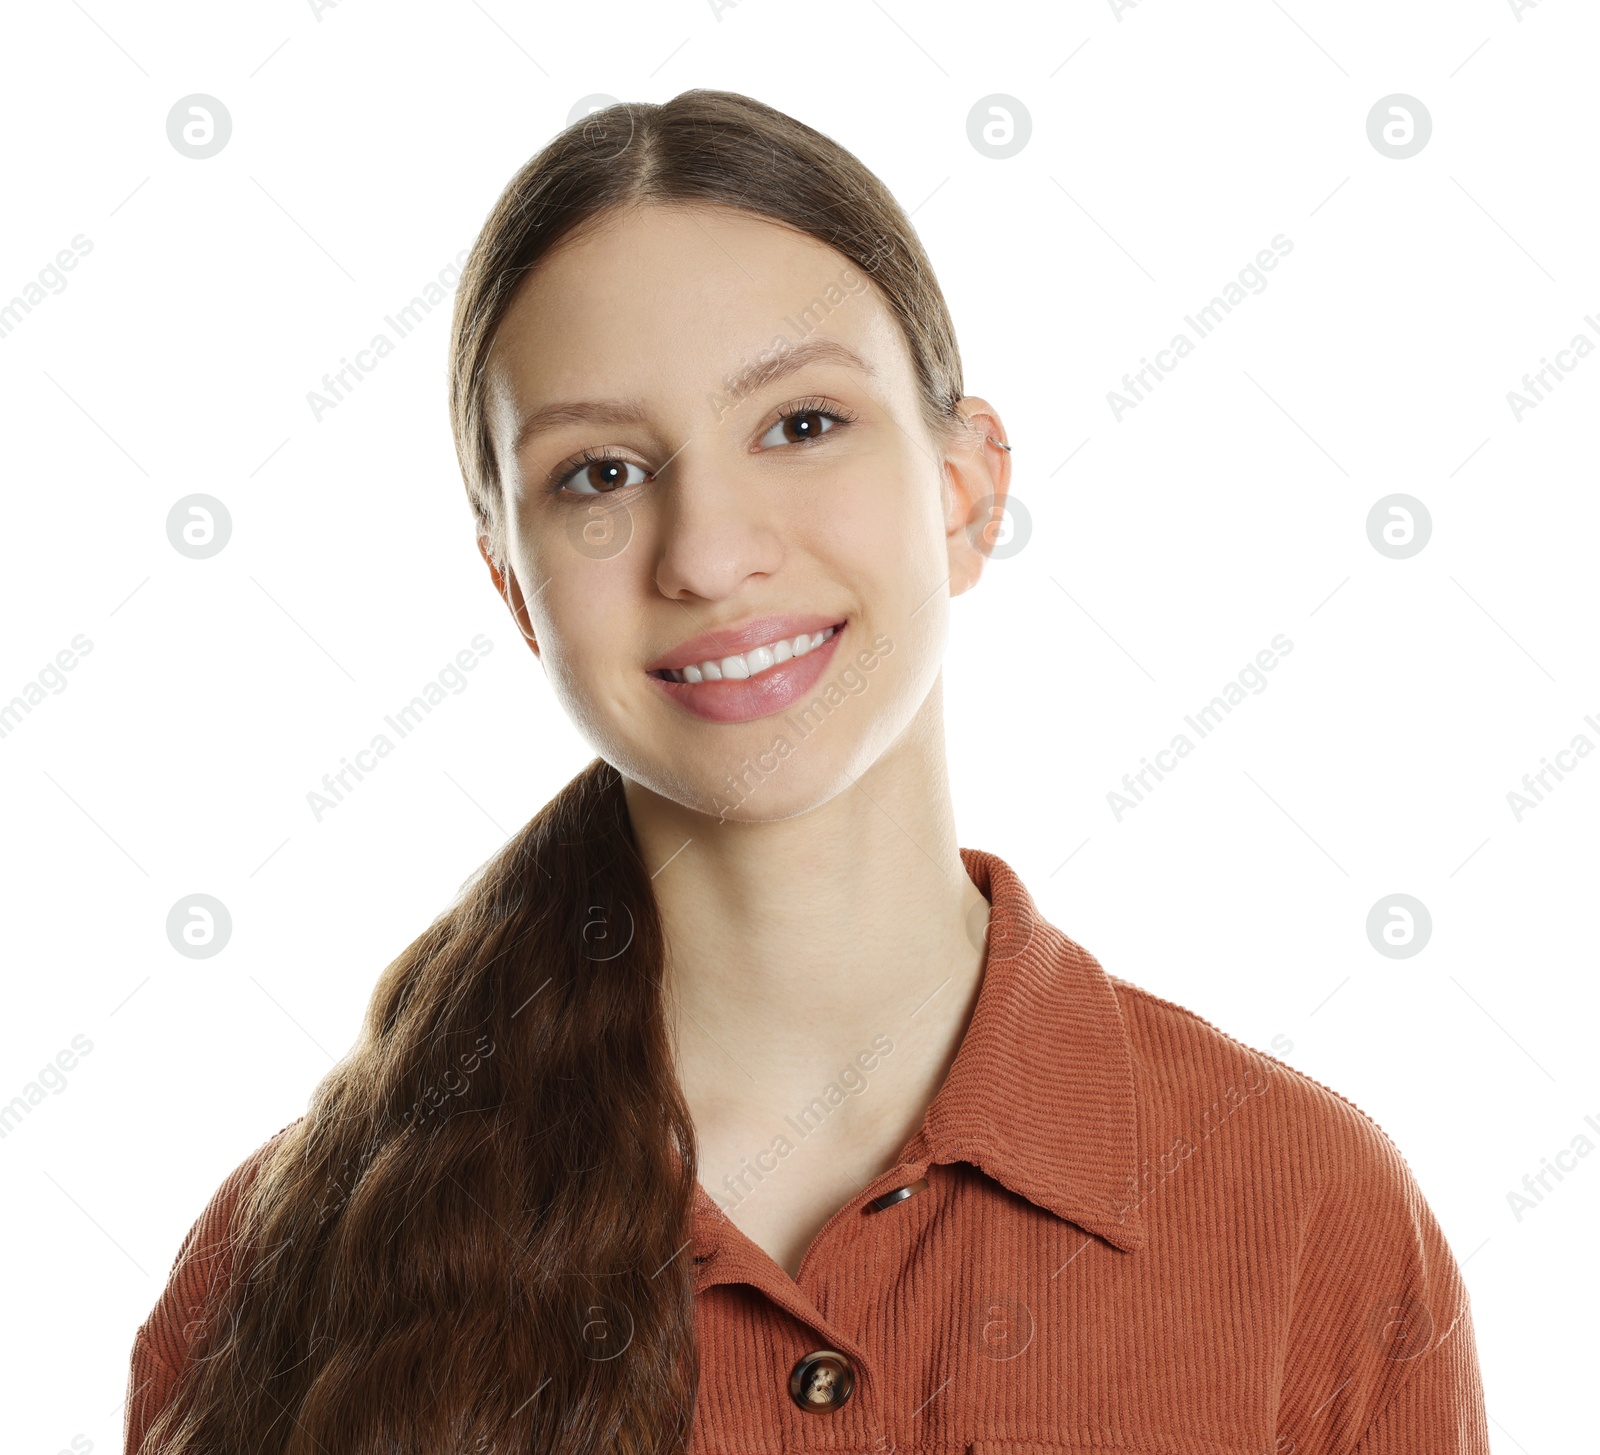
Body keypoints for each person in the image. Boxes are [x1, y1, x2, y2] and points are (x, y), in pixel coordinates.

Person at [124, 89, 1489, 1454]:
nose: (709, 552)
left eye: (800, 424)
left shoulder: (1308, 1215)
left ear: (965, 489)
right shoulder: (270, 1280)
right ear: (515, 586)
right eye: (600, 472)